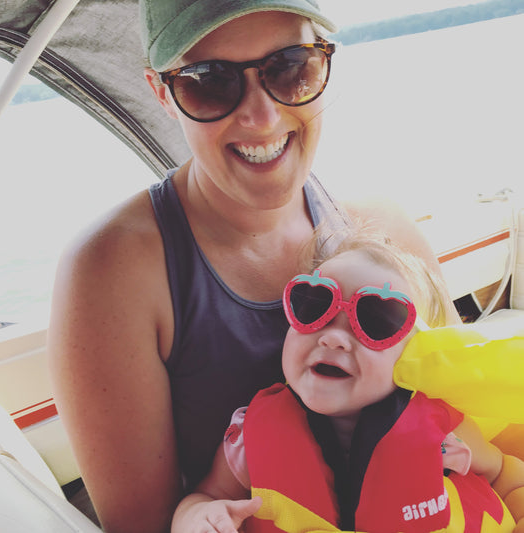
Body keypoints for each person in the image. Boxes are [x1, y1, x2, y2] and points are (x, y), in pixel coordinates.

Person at [47, 1, 461, 532]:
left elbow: (467, 408)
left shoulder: (385, 231)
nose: (262, 116)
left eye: (291, 68)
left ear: (324, 66)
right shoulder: (112, 272)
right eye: (208, 82)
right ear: (162, 94)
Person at [171, 235, 524, 533]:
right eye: (314, 305)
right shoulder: (252, 436)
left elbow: (506, 474)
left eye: (377, 320)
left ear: (413, 354)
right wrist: (199, 518)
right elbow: (206, 495)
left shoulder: (446, 437)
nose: (334, 338)